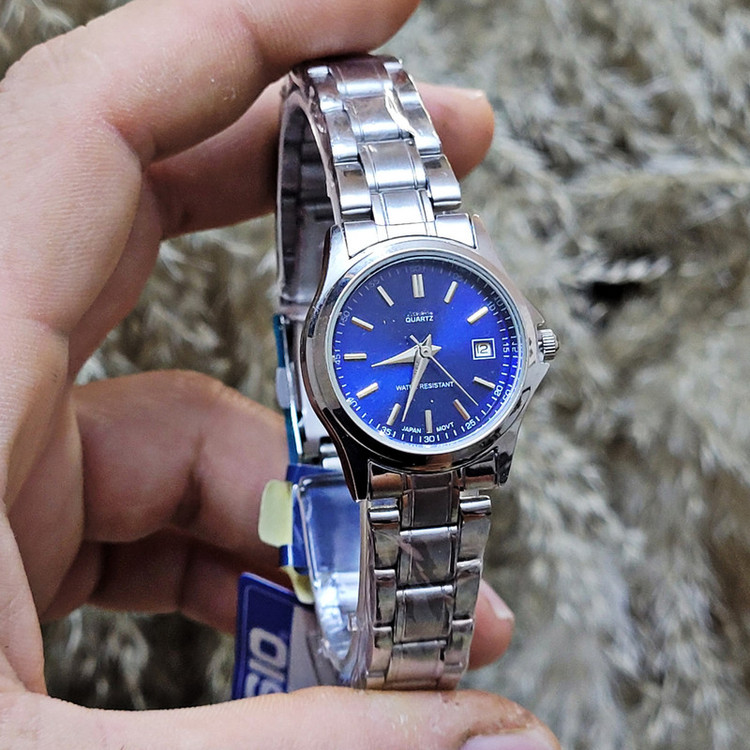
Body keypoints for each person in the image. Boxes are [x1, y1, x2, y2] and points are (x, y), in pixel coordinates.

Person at [0, 0, 561, 747]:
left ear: (531, 347)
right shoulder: (341, 315)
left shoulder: (475, 288)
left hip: (457, 436)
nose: (426, 353)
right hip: (391, 440)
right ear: (310, 354)